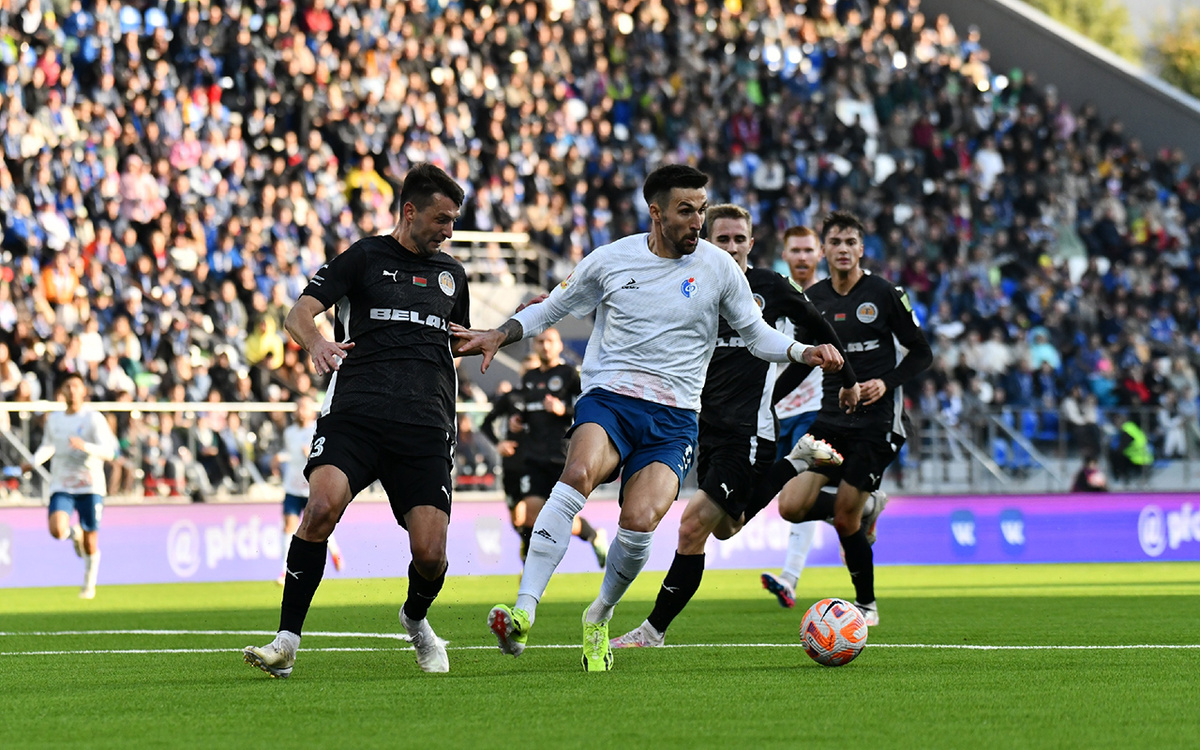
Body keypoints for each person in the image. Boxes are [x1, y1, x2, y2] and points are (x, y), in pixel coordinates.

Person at [453, 164, 842, 671]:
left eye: (701, 209)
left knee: (640, 522)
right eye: (686, 210)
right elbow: (551, 308)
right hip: (611, 399)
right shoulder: (611, 260)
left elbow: (755, 334)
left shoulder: (718, 268)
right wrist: (497, 334)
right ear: (656, 213)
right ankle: (524, 610)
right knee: (578, 473)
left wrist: (801, 351)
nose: (697, 221)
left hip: (675, 418)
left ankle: (599, 614)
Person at [243, 163, 470, 678]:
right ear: (409, 211)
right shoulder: (365, 257)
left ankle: (415, 620)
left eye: (453, 221)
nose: (449, 231)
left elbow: (454, 341)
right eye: (441, 219)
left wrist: (500, 331)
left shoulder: (453, 275)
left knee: (430, 554)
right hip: (356, 413)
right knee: (320, 509)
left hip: (426, 423)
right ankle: (286, 642)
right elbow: (299, 314)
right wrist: (317, 343)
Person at [609, 205, 855, 649]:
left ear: (751, 243)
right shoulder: (690, 283)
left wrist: (848, 381)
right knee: (726, 527)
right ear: (707, 241)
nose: (732, 247)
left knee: (692, 528)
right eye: (723, 239)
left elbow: (819, 329)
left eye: (740, 239)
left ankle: (652, 631)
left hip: (748, 432)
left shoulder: (769, 287)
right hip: (700, 428)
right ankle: (797, 462)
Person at [762, 210, 931, 627]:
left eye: (850, 242)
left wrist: (886, 383)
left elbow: (922, 353)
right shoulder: (815, 298)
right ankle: (870, 504)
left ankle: (867, 605)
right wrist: (768, 401)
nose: (843, 249)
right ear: (825, 249)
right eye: (835, 242)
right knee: (791, 506)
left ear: (861, 248)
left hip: (877, 425)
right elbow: (804, 362)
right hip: (830, 423)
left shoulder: (885, 293)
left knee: (844, 519)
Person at [760, 226, 888, 609]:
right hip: (778, 412)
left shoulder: (830, 299)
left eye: (808, 250)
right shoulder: (772, 294)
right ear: (784, 254)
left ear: (819, 254)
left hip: (818, 410)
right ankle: (862, 508)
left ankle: (790, 577)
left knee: (796, 489)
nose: (801, 257)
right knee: (790, 499)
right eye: (794, 250)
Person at [486, 330, 608, 566]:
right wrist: (518, 420)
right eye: (540, 342)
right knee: (530, 516)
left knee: (557, 519)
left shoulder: (569, 374)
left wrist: (564, 410)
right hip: (533, 457)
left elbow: (589, 406)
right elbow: (529, 411)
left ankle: (593, 535)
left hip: (561, 457)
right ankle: (531, 572)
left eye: (550, 341)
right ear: (535, 346)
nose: (545, 346)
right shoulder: (529, 377)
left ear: (559, 345)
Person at [21, 372, 118, 599]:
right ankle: (74, 533)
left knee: (91, 541)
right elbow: (48, 445)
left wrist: (86, 446)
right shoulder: (55, 419)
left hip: (90, 485)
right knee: (57, 530)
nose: (72, 390)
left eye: (76, 386)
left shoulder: (93, 419)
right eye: (67, 386)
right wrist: (33, 462)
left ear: (84, 390)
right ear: (62, 391)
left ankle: (89, 585)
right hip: (62, 484)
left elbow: (110, 452)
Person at [272, 394, 345, 585]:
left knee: (318, 524)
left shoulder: (317, 429)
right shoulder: (289, 432)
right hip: (292, 487)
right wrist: (280, 457)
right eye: (298, 407)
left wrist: (310, 454)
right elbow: (291, 454)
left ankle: (334, 552)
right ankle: (284, 570)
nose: (299, 411)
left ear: (311, 411)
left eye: (303, 407)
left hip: (311, 487)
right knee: (288, 526)